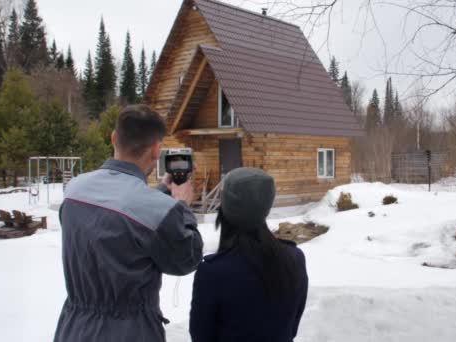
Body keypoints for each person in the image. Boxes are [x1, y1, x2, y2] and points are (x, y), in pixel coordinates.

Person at [54, 105, 203, 342]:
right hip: (131, 332)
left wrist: (163, 190)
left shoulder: (74, 190)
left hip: (74, 327)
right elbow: (187, 259)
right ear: (156, 150)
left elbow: (118, 211)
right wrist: (182, 206)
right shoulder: (160, 210)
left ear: (114, 138)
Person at [189, 168, 308, 342]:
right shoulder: (295, 258)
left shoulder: (213, 272)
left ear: (226, 208)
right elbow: (292, 327)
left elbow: (201, 336)